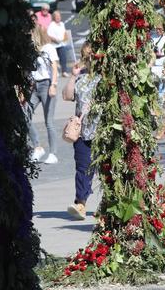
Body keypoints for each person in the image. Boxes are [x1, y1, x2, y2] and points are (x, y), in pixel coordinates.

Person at [64, 42, 101, 220]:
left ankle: (110, 204)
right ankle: (81, 204)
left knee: (108, 169)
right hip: (83, 131)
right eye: (87, 56)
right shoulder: (80, 77)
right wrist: (72, 76)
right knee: (82, 168)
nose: (90, 59)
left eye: (92, 55)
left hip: (103, 131)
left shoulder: (105, 76)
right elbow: (67, 96)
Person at [26, 25, 60, 164]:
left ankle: (53, 153)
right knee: (25, 115)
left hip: (46, 84)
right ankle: (37, 147)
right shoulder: (31, 50)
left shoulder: (48, 48)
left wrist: (53, 84)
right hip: (34, 85)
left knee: (49, 121)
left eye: (31, 34)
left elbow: (54, 67)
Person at [47, 10, 70, 77]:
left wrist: (65, 38)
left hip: (62, 44)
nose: (58, 17)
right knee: (54, 59)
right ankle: (55, 72)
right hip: (54, 45)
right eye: (56, 16)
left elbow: (64, 33)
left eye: (59, 16)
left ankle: (64, 71)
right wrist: (55, 39)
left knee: (63, 58)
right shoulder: (52, 24)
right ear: (54, 17)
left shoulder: (62, 24)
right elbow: (49, 35)